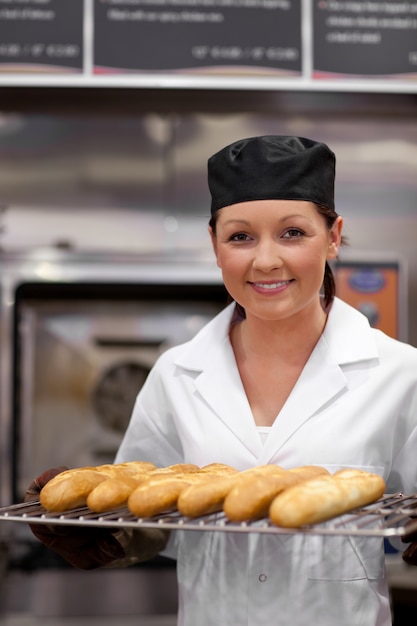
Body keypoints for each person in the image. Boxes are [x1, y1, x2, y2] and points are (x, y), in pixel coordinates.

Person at [26, 135, 417, 626]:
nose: (266, 260)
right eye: (240, 237)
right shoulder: (176, 373)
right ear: (214, 245)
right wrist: (104, 536)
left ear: (334, 236)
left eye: (293, 233)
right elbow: (149, 514)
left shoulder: (399, 373)